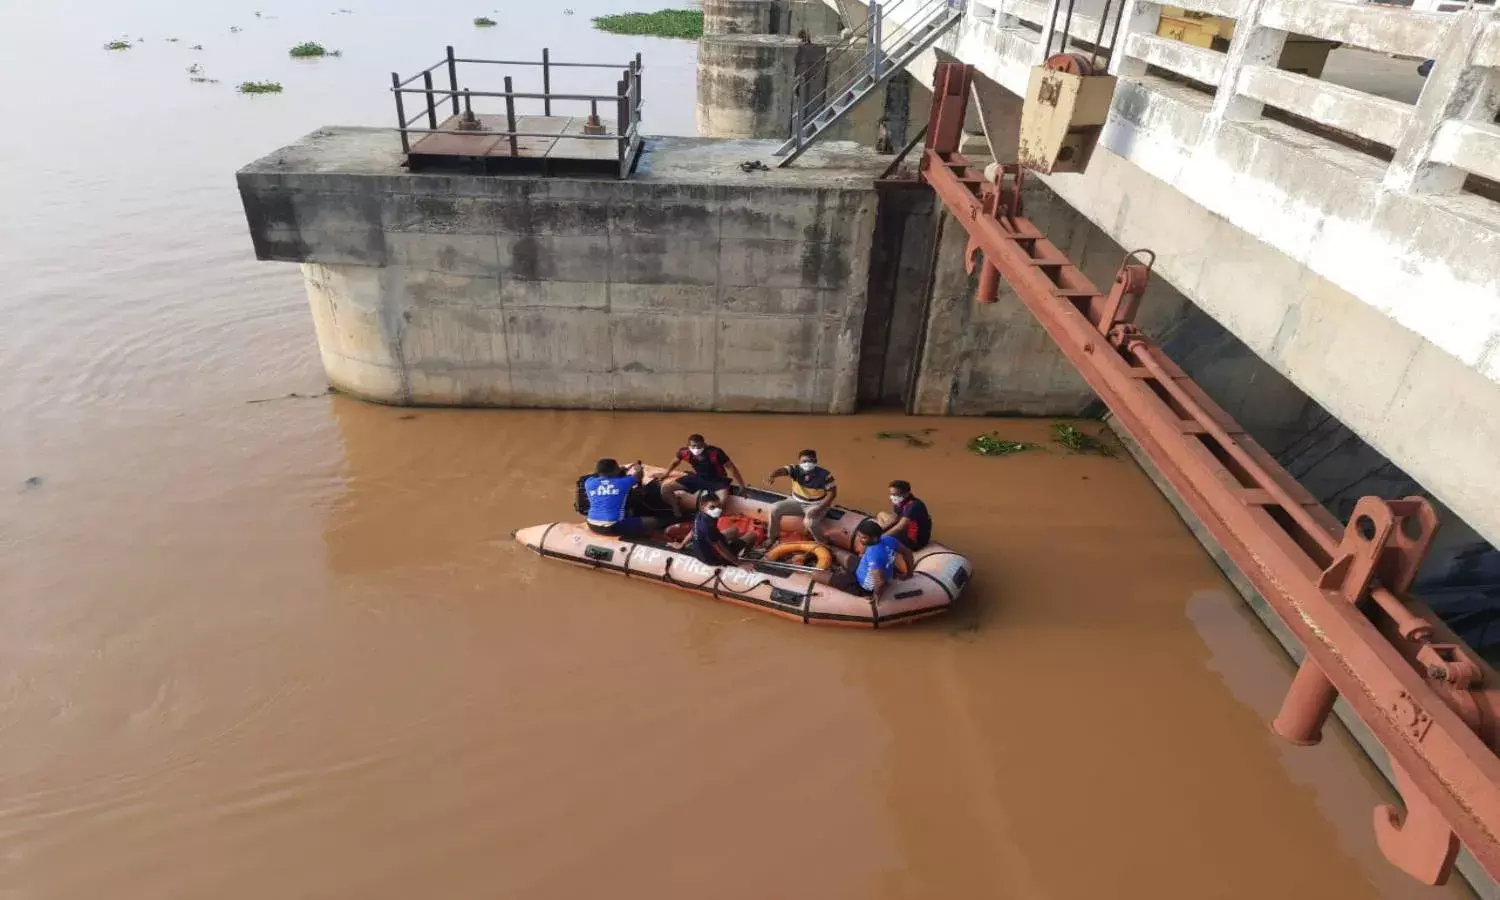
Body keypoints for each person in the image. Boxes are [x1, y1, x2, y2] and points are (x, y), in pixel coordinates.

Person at [765, 449, 837, 546]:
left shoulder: (825, 475)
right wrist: (773, 475)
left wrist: (820, 509)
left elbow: (833, 493)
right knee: (774, 508)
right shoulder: (795, 470)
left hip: (816, 504)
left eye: (811, 461)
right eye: (804, 461)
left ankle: (823, 542)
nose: (808, 463)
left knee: (810, 523)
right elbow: (782, 470)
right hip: (796, 501)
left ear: (816, 461)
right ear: (799, 462)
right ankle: (772, 537)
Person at [583, 458, 663, 537]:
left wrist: (617, 471)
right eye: (617, 467)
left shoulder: (589, 482)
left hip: (592, 524)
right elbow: (639, 475)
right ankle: (643, 536)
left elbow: (600, 476)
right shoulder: (624, 482)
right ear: (615, 470)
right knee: (653, 522)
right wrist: (639, 469)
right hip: (613, 526)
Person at [661, 433, 745, 507]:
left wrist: (741, 485)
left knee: (720, 503)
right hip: (699, 478)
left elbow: (732, 468)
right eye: (693, 446)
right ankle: (677, 511)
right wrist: (666, 474)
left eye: (699, 446)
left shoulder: (715, 453)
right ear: (688, 446)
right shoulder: (684, 452)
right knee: (666, 488)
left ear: (704, 444)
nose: (696, 449)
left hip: (718, 480)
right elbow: (675, 462)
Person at [835, 520, 914, 597]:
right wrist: (909, 573)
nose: (859, 539)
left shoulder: (873, 553)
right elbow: (908, 553)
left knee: (830, 577)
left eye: (863, 538)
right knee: (840, 555)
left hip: (862, 585)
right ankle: (834, 554)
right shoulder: (889, 539)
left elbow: (880, 581)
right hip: (864, 569)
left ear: (874, 538)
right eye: (859, 536)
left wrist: (876, 596)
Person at [679, 493, 751, 568]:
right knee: (751, 535)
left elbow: (693, 530)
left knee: (734, 530)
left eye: (719, 506)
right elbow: (720, 548)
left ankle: (735, 549)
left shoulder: (700, 514)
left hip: (701, 550)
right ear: (703, 507)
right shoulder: (708, 527)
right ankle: (744, 556)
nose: (717, 510)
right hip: (713, 558)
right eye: (712, 507)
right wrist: (739, 563)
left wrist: (682, 544)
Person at [881, 480, 932, 550]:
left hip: (914, 540)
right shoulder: (900, 502)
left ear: (906, 493)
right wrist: (878, 530)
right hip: (905, 530)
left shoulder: (914, 505)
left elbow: (900, 527)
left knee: (884, 539)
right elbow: (894, 518)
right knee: (881, 515)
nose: (892, 497)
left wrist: (880, 537)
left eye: (895, 494)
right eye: (891, 494)